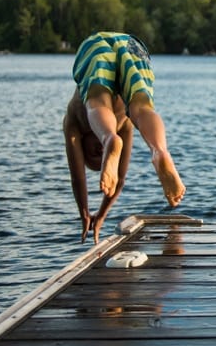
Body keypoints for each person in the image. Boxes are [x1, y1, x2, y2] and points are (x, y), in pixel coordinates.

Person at [63, 31, 185, 242]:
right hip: (130, 44)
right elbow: (118, 179)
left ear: (82, 144)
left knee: (97, 102)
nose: (100, 153)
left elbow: (78, 178)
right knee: (141, 107)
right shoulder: (124, 125)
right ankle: (159, 151)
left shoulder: (73, 122)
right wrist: (101, 215)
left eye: (95, 153)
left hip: (95, 46)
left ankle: (109, 137)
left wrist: (84, 212)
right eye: (102, 155)